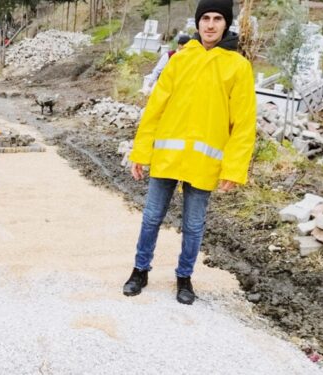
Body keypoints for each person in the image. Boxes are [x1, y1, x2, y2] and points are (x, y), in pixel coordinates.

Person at [122, 0, 256, 305]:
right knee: (152, 218)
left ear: (226, 24)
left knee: (194, 226)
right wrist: (141, 152)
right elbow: (155, 109)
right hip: (167, 158)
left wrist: (234, 169)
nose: (210, 24)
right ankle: (139, 271)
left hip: (203, 163)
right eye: (205, 18)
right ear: (197, 23)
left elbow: (244, 124)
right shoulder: (179, 60)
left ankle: (184, 277)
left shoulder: (238, 66)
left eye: (217, 19)